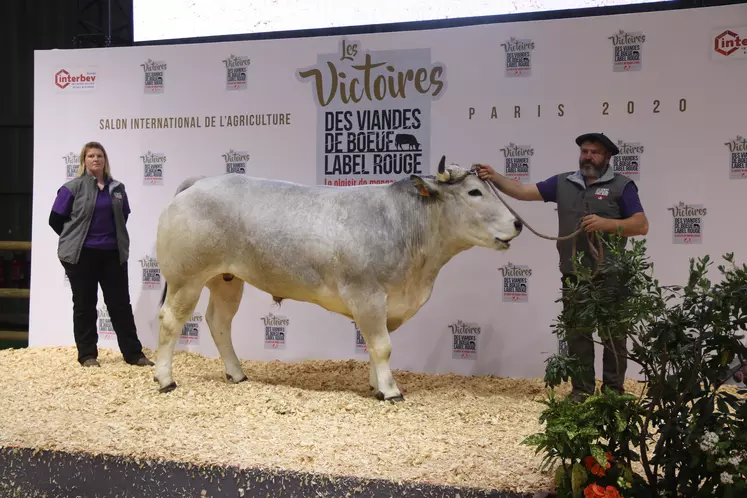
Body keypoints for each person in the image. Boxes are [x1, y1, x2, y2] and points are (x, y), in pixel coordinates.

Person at [473, 132, 649, 402]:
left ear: (608, 157)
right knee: (577, 335)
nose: (588, 156)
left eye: (595, 152)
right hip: (574, 274)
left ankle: (613, 392)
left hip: (611, 274)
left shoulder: (622, 186)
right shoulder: (563, 182)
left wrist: (606, 224)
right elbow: (523, 191)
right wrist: (494, 176)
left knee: (613, 336)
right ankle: (582, 390)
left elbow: (641, 225)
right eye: (585, 151)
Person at [49, 141, 154, 368]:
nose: (95, 159)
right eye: (91, 156)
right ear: (83, 161)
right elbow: (55, 220)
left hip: (112, 256)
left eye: (99, 156)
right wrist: (75, 238)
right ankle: (87, 355)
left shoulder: (117, 189)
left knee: (120, 305)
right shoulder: (72, 188)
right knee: (85, 304)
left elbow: (122, 217)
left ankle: (134, 354)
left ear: (105, 160)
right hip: (82, 256)